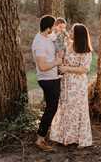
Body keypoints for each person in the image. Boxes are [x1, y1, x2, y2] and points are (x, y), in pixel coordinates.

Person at [50, 23, 93, 148]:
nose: (71, 32)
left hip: (78, 84)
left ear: (79, 34)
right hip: (66, 82)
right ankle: (66, 138)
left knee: (77, 109)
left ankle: (80, 138)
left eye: (73, 31)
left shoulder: (86, 51)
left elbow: (84, 69)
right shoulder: (68, 44)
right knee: (66, 108)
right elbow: (59, 43)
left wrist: (66, 68)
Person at [31, 15, 63, 151]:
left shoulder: (47, 36)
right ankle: (40, 139)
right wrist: (57, 62)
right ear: (48, 28)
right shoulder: (39, 43)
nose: (54, 29)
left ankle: (44, 135)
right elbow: (43, 66)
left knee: (52, 107)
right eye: (53, 26)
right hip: (47, 79)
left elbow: (57, 41)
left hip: (54, 77)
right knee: (51, 108)